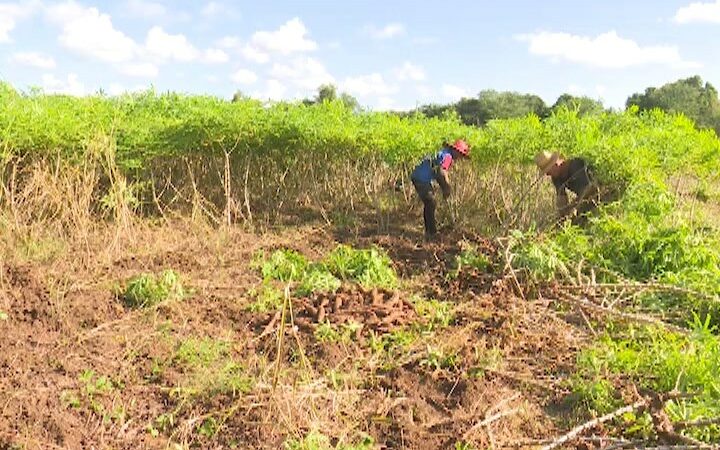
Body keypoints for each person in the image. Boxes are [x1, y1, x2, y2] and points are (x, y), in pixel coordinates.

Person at [410, 139, 470, 239]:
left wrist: (444, 187)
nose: (460, 158)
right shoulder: (448, 156)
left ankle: (430, 231)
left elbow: (438, 172)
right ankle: (431, 233)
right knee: (431, 202)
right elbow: (442, 172)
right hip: (421, 178)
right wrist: (446, 187)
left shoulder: (444, 153)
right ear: (455, 151)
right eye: (460, 155)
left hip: (420, 177)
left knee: (430, 202)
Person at [535, 150, 600, 223]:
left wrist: (572, 208)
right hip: (584, 201)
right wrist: (562, 217)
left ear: (555, 164)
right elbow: (562, 199)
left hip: (598, 195)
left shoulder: (575, 165)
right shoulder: (556, 178)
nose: (547, 174)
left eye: (548, 171)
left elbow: (588, 189)